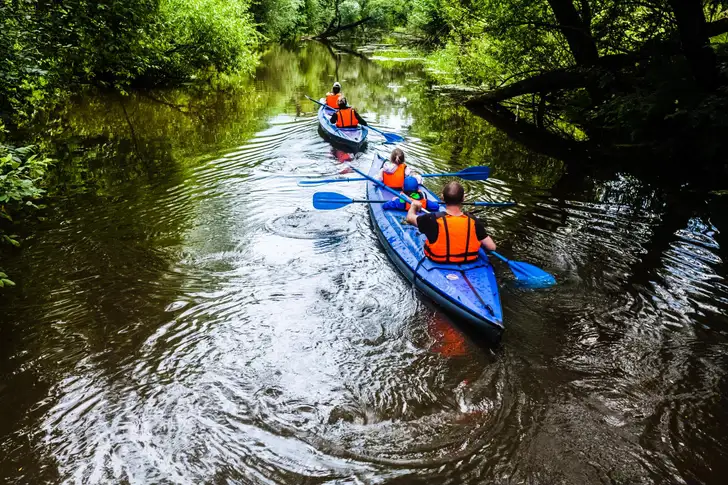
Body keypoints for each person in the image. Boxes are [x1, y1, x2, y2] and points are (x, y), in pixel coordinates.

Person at [407, 181, 496, 263]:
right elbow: (492, 247)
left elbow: (410, 218)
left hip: (438, 261)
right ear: (463, 198)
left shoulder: (431, 219)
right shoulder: (473, 221)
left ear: (442, 198)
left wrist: (413, 206)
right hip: (469, 261)